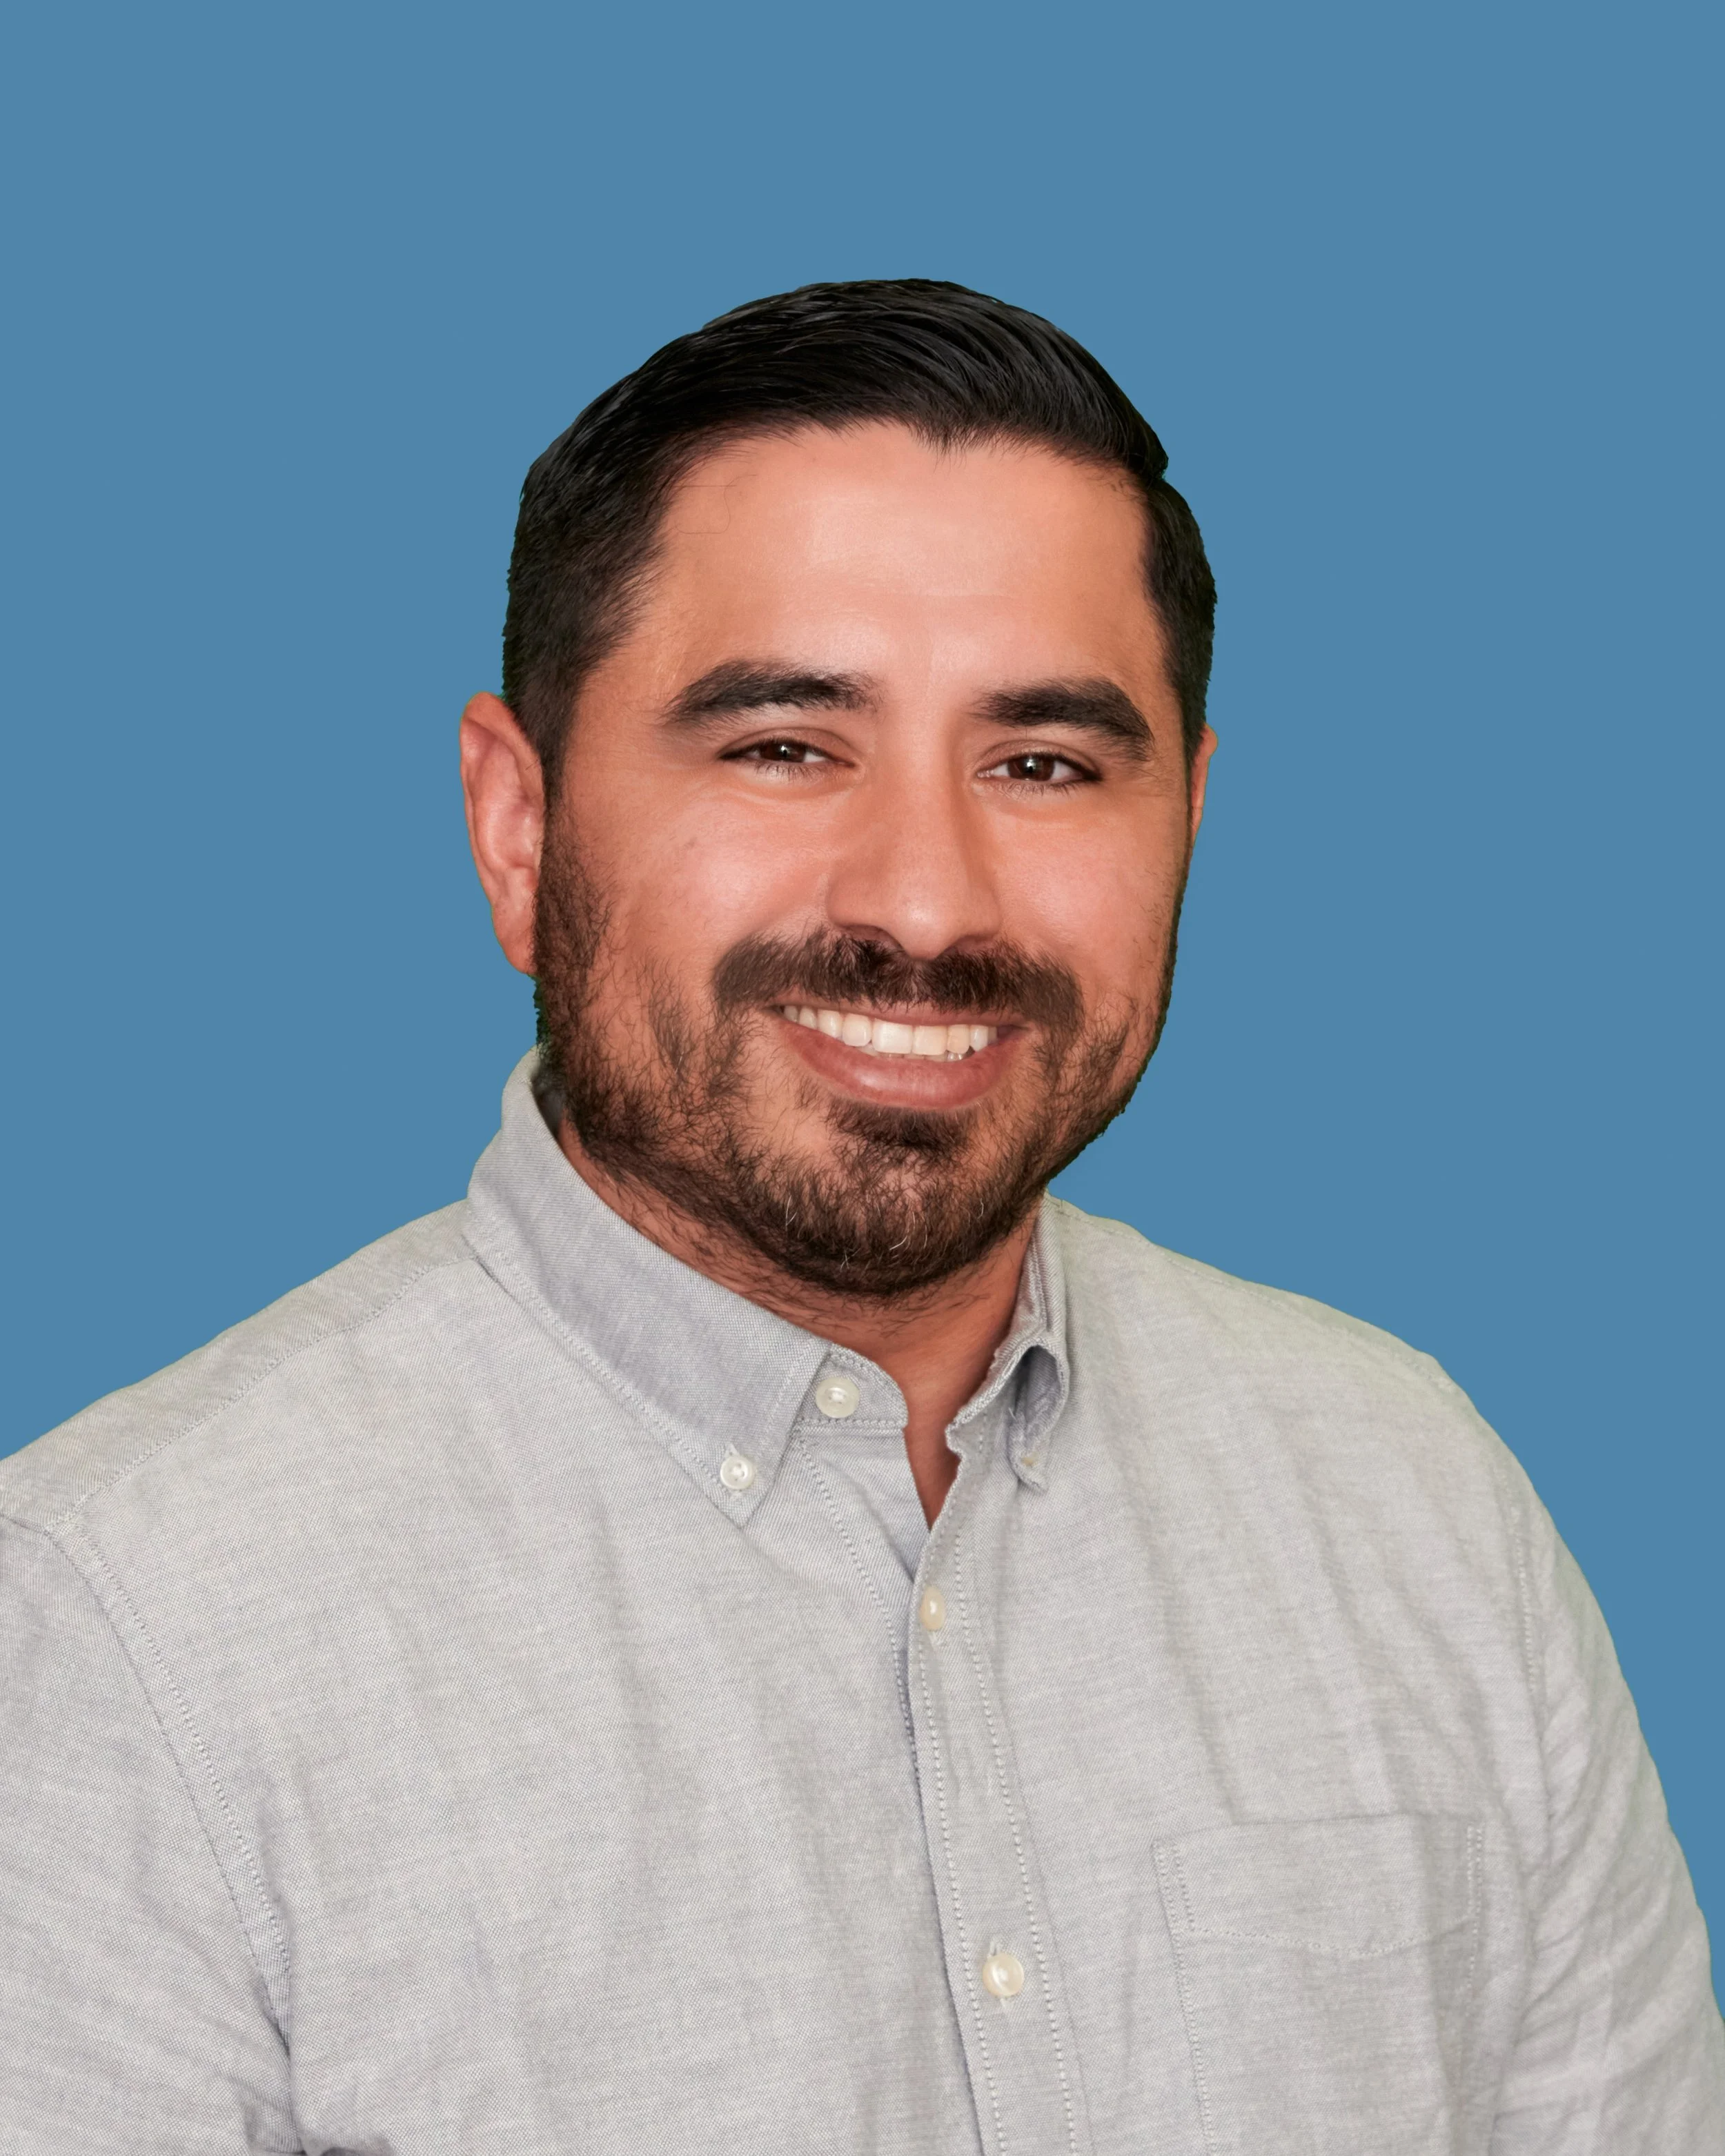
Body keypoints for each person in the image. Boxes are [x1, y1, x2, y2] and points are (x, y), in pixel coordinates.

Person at [1, 279, 1718, 2155]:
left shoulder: (1417, 1504)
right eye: (782, 745)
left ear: (1189, 823)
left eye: (1045, 764)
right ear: (517, 824)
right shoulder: (118, 1632)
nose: (922, 895)